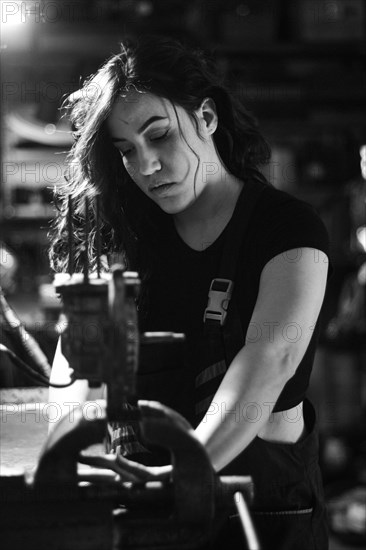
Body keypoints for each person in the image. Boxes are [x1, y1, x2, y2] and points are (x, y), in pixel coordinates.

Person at [49, 35, 332, 549]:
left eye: (159, 136)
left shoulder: (288, 230)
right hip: (146, 507)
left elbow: (270, 357)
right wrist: (67, 454)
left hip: (263, 513)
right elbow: (78, 362)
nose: (147, 166)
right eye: (127, 151)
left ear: (206, 117)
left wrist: (188, 467)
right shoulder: (126, 235)